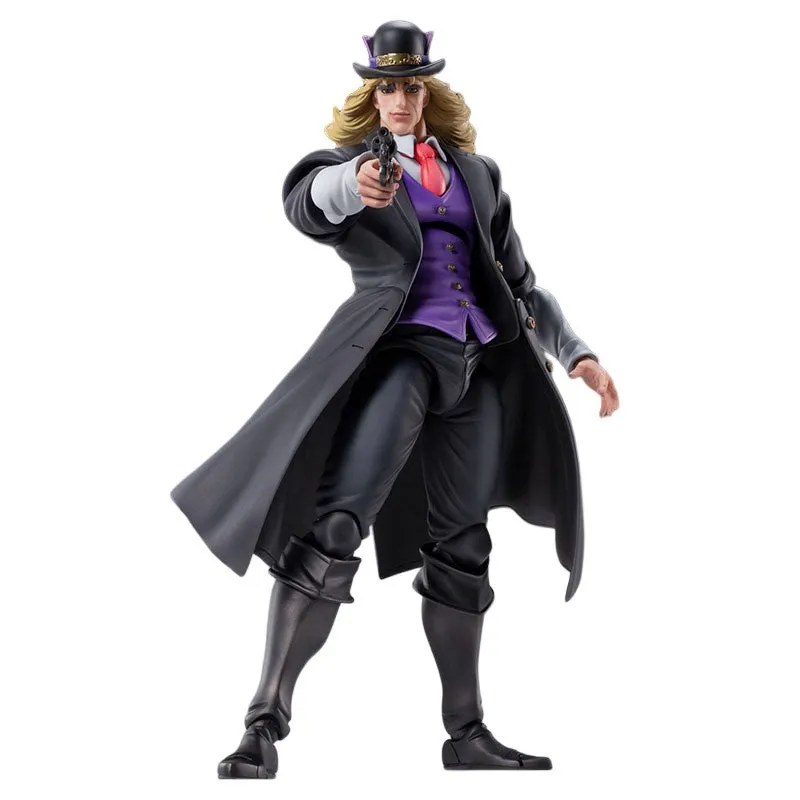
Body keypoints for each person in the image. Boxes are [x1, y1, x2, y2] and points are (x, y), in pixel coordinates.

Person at [171, 20, 619, 779]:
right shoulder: (355, 169)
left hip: (476, 367)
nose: (401, 99)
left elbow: (519, 282)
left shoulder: (476, 174)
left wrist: (576, 352)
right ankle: (263, 722)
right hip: (402, 359)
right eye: (388, 87)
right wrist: (355, 185)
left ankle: (466, 732)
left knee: (465, 545)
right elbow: (308, 202)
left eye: (412, 85)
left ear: (427, 89)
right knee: (335, 527)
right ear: (373, 95)